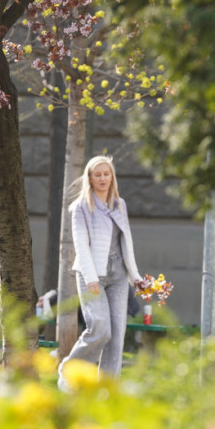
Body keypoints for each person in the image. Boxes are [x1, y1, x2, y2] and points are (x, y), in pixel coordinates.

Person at [58, 155, 143, 390]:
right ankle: (70, 369)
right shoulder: (81, 208)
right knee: (101, 329)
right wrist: (91, 276)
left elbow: (126, 243)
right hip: (91, 276)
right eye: (98, 175)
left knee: (116, 338)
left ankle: (107, 391)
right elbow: (80, 244)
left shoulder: (119, 205)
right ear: (90, 178)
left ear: (112, 177)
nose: (103, 178)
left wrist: (135, 277)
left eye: (107, 174)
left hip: (118, 276)